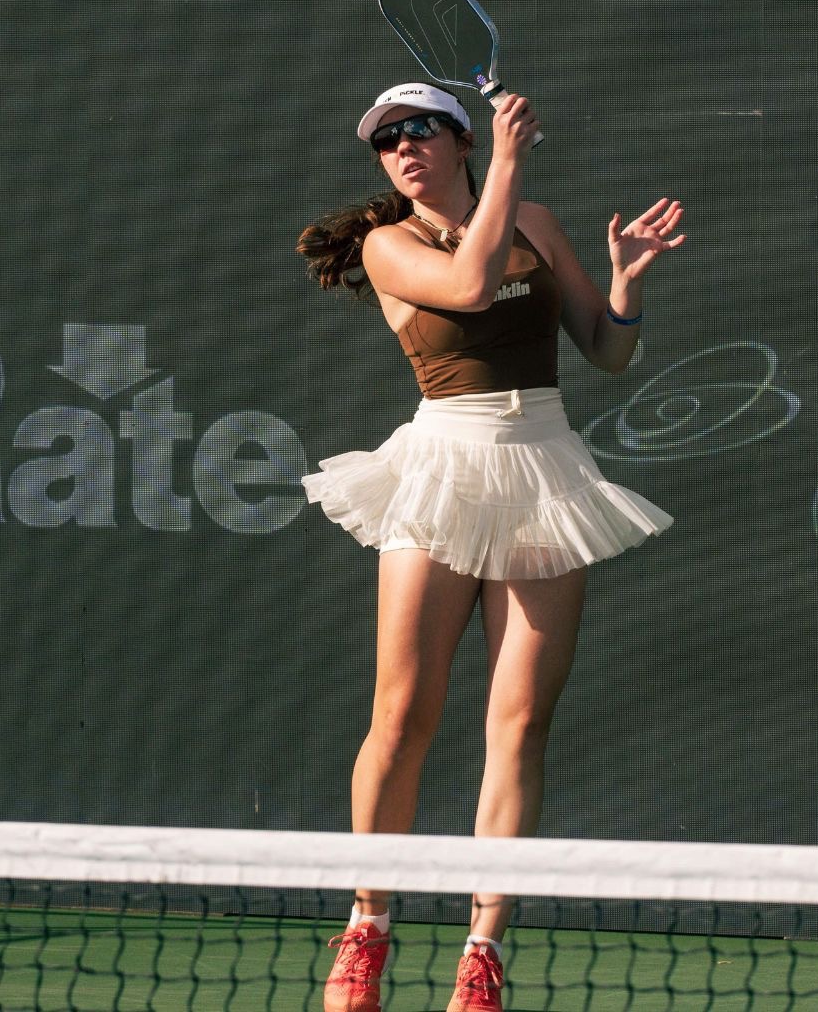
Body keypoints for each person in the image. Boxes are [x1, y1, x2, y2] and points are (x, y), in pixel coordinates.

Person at [294, 82, 684, 1012]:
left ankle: (482, 950)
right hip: (441, 467)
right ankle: (368, 929)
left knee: (519, 725)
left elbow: (605, 348)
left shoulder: (538, 223)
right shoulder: (386, 245)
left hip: (546, 468)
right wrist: (508, 164)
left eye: (417, 130)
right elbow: (469, 286)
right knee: (404, 716)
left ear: (458, 138)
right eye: (385, 141)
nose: (401, 150)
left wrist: (625, 283)